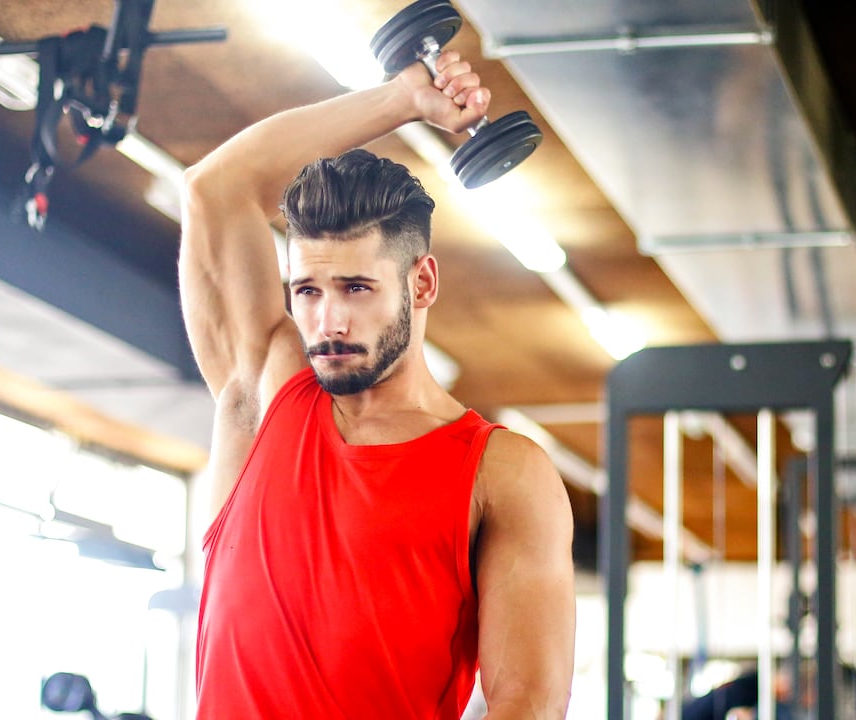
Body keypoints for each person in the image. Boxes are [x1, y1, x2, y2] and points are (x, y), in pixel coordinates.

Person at [178, 45, 576, 719]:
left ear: (421, 282)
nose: (326, 319)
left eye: (356, 287)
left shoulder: (503, 474)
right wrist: (403, 99)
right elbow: (214, 189)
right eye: (306, 290)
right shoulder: (264, 393)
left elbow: (526, 705)